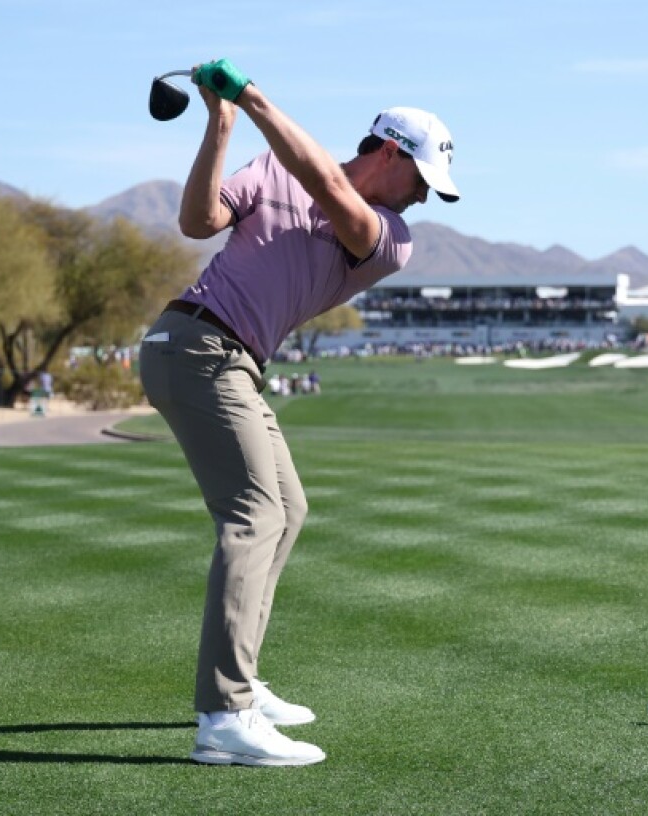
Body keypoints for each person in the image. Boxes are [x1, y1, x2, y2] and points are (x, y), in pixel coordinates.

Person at [137, 58, 460, 766]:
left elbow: (327, 185)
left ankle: (242, 681)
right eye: (423, 181)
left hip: (232, 362)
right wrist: (220, 126)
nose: (424, 200)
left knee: (289, 505)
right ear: (391, 152)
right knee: (253, 516)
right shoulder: (273, 169)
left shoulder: (386, 236)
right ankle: (224, 716)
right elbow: (198, 222)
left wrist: (248, 98)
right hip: (195, 345)